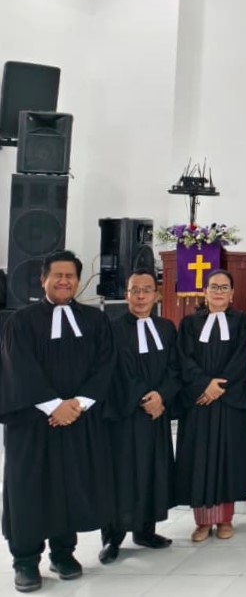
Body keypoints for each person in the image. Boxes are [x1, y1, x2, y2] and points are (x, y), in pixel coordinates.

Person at [0, 251, 115, 593]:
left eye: (71, 276)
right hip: (31, 422)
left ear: (78, 281)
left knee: (70, 483)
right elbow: (19, 367)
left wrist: (78, 404)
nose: (64, 281)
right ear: (43, 279)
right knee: (28, 488)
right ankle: (25, 560)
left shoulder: (95, 320)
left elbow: (105, 364)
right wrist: (54, 406)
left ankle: (63, 553)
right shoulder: (21, 321)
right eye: (58, 275)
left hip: (78, 419)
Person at [100, 268, 178, 564]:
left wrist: (162, 396)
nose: (141, 296)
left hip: (157, 414)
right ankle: (113, 538)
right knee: (122, 475)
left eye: (147, 290)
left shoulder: (167, 328)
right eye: (135, 290)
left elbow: (175, 367)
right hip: (126, 414)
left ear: (156, 295)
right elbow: (117, 372)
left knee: (152, 471)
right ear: (127, 294)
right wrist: (145, 398)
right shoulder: (113, 328)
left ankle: (145, 530)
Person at [175, 269, 246, 542]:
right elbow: (183, 358)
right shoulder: (189, 323)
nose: (219, 291)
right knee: (198, 460)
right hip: (198, 401)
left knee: (227, 460)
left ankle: (224, 519)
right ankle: (202, 522)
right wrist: (204, 385)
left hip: (231, 400)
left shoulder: (243, 321)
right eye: (214, 287)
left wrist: (219, 387)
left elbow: (243, 356)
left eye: (224, 287)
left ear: (232, 293)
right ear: (205, 292)